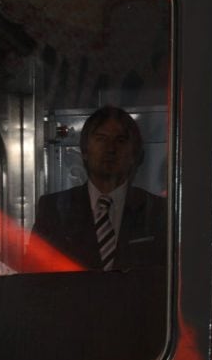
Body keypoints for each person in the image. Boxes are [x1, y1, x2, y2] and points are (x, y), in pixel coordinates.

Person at [29, 105, 165, 271]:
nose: (110, 149)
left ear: (134, 154)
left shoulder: (157, 211)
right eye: (101, 139)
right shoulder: (54, 210)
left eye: (120, 140)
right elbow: (35, 278)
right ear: (85, 151)